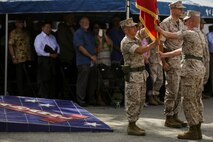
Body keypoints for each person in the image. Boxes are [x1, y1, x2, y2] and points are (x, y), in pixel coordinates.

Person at [156, 10, 206, 140]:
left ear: (190, 21)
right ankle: (197, 127)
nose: (184, 22)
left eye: (185, 20)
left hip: (190, 71)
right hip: (199, 70)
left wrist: (157, 28)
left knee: (188, 100)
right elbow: (182, 50)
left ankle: (193, 130)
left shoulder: (188, 33)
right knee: (196, 99)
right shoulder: (201, 34)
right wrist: (165, 55)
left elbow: (169, 35)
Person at [120, 18, 158, 136]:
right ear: (125, 30)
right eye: (132, 27)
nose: (135, 28)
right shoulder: (126, 42)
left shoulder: (135, 38)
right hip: (133, 75)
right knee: (133, 100)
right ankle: (131, 125)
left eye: (135, 26)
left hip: (141, 75)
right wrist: (153, 44)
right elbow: (140, 50)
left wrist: (152, 21)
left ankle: (134, 123)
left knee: (141, 101)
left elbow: (144, 32)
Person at [159, 0, 187, 128]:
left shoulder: (181, 23)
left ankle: (175, 115)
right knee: (172, 90)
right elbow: (160, 43)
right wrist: (163, 61)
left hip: (180, 59)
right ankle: (168, 117)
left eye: (182, 9)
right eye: (180, 9)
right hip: (170, 58)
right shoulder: (165, 23)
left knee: (180, 90)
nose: (182, 11)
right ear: (173, 9)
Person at [73, 17, 97, 106]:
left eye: (87, 21)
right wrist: (91, 56)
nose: (85, 23)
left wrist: (94, 55)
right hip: (83, 61)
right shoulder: (78, 33)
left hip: (92, 61)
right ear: (80, 23)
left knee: (92, 81)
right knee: (82, 82)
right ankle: (81, 100)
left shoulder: (89, 33)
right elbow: (80, 47)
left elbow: (94, 46)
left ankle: (91, 99)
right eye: (83, 22)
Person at [34, 21, 60, 99]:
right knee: (44, 79)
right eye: (47, 27)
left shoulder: (53, 37)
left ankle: (51, 96)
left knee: (53, 79)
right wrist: (49, 54)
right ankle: (44, 96)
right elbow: (38, 50)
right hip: (44, 59)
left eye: (50, 27)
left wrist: (57, 53)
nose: (49, 29)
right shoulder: (39, 37)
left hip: (53, 59)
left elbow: (57, 46)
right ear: (42, 28)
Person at [8, 19, 32, 96]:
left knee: (27, 76)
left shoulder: (26, 32)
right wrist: (13, 57)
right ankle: (20, 93)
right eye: (20, 22)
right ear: (16, 23)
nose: (22, 23)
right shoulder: (13, 33)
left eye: (22, 22)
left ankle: (26, 92)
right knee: (20, 77)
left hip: (27, 57)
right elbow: (10, 45)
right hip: (19, 58)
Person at [56, 14, 77, 100]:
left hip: (73, 57)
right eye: (71, 17)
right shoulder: (62, 28)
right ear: (66, 18)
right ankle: (65, 96)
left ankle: (70, 95)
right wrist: (76, 49)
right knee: (65, 78)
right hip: (66, 57)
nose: (73, 19)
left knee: (72, 77)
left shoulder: (73, 28)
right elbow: (65, 42)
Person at [200, 19, 210, 98]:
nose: (202, 25)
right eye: (201, 24)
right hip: (200, 58)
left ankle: (201, 91)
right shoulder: (196, 33)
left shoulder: (204, 34)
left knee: (206, 75)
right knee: (200, 75)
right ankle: (198, 93)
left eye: (203, 24)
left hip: (206, 57)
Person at [207, 25, 213, 96]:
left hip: (211, 54)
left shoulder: (208, 35)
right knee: (211, 72)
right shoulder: (209, 35)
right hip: (211, 54)